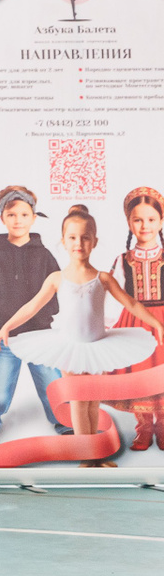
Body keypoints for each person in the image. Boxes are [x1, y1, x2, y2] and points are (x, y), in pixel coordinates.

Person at [0, 204, 164, 467]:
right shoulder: (57, 278)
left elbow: (131, 303)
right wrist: (6, 327)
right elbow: (32, 306)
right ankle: (87, 457)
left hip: (98, 348)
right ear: (63, 241)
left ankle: (96, 457)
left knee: (93, 402)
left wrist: (157, 324)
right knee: (78, 401)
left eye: (85, 237)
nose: (78, 243)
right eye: (72, 237)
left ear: (94, 241)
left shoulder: (103, 278)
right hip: (70, 348)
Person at [0, 186, 67, 451]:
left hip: (40, 333)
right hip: (6, 334)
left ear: (33, 218)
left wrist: (47, 314)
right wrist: (1, 311)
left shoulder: (44, 254)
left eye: (24, 215)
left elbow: (57, 286)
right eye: (11, 215)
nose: (18, 220)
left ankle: (65, 422)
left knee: (52, 381)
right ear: (2, 218)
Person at [106, 186, 164, 448]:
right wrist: (106, 328)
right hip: (133, 324)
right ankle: (144, 428)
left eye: (151, 219)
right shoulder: (123, 260)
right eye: (138, 220)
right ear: (129, 222)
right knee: (139, 376)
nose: (145, 225)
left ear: (161, 221)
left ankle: (163, 427)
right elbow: (112, 296)